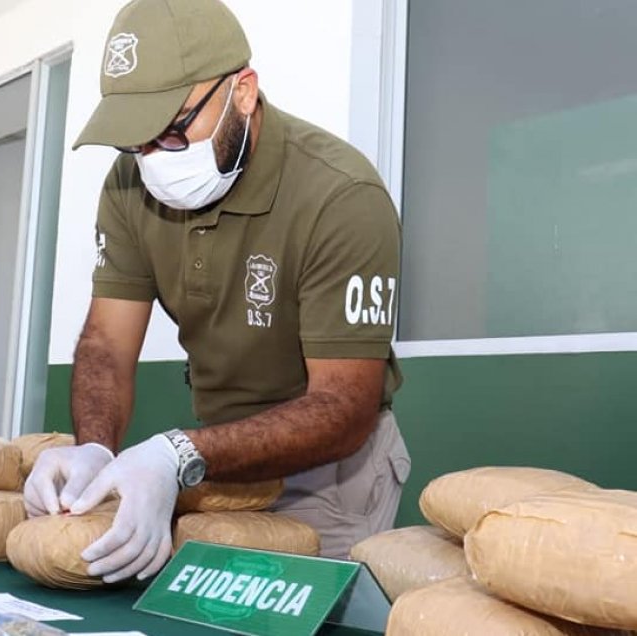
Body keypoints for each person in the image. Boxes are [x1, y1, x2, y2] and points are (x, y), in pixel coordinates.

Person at [23, 0, 410, 583]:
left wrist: (175, 454)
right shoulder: (130, 185)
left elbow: (344, 409)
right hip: (212, 460)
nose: (152, 160)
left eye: (174, 130)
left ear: (244, 93)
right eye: (135, 142)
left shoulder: (341, 195)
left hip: (332, 468)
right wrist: (96, 449)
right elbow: (106, 342)